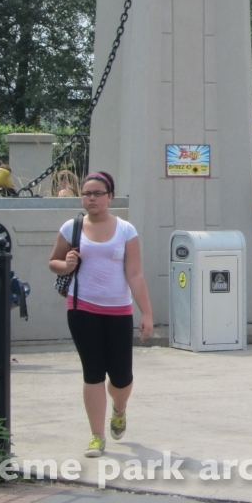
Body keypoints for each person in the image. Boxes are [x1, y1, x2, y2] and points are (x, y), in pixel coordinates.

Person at [48, 171, 153, 458]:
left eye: (97, 194)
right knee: (93, 372)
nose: (91, 199)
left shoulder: (126, 230)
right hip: (82, 308)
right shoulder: (71, 227)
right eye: (86, 194)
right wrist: (66, 264)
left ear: (110, 197)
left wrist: (146, 313)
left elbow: (135, 274)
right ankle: (97, 436)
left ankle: (119, 408)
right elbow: (53, 262)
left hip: (119, 310)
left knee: (121, 377)